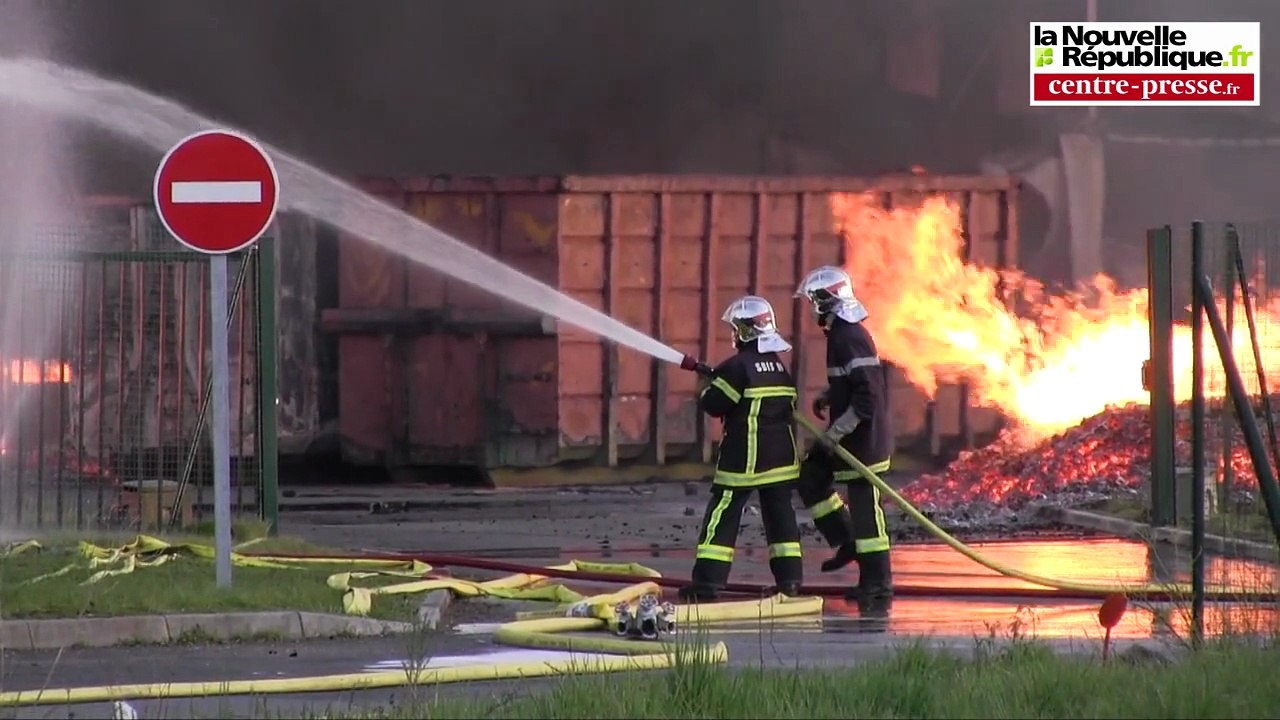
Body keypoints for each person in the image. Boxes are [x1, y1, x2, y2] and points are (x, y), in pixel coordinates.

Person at [679, 295, 803, 602]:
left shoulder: (737, 367)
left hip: (745, 460)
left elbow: (714, 404)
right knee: (781, 519)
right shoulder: (779, 367)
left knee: (722, 515)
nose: (733, 335)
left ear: (746, 331)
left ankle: (707, 584)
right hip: (782, 460)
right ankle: (790, 581)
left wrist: (703, 385)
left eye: (736, 329)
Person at [793, 265, 893, 608]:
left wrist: (834, 433)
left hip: (863, 443)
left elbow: (868, 397)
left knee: (866, 512)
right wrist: (830, 395)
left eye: (814, 301)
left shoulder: (848, 336)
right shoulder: (840, 334)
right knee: (811, 478)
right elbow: (854, 383)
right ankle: (846, 539)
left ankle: (877, 583)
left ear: (827, 300)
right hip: (848, 437)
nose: (812, 308)